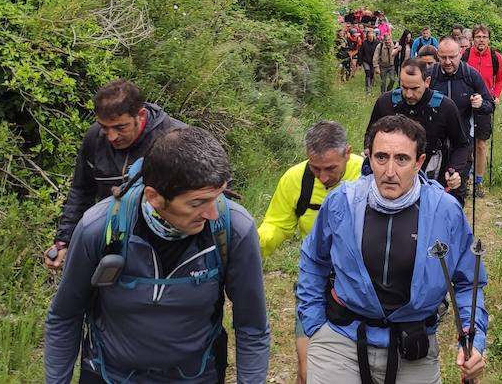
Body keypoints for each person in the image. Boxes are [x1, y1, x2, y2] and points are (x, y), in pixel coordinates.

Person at [44, 127, 270, 384]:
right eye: (197, 203)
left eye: (217, 197)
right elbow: (65, 316)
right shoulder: (99, 228)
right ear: (154, 197)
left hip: (196, 376)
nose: (213, 213)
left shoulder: (233, 229)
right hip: (110, 375)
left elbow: (252, 327)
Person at [297, 115, 487, 384]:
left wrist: (472, 338)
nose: (389, 171)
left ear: (419, 162)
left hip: (412, 343)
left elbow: (468, 282)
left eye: (402, 159)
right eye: (381, 157)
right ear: (368, 157)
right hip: (342, 337)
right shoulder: (342, 202)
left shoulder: (445, 211)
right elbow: (313, 260)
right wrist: (315, 325)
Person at [258, 122, 363, 384]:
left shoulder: (366, 175)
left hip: (359, 288)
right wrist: (246, 248)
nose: (323, 177)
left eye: (330, 169)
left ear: (347, 153)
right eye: (315, 168)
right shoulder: (295, 179)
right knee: (308, 372)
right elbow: (276, 225)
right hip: (315, 283)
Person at [44, 80, 185, 270]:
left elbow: (209, 195)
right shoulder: (94, 138)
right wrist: (64, 240)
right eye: (104, 127)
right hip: (111, 245)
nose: (111, 137)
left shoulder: (176, 139)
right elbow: (81, 191)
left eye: (120, 128)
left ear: (140, 115)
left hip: (165, 249)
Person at [367, 59, 468, 196]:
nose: (408, 94)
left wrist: (455, 170)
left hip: (432, 179)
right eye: (404, 87)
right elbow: (369, 137)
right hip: (391, 177)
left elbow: (461, 145)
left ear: (427, 82)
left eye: (414, 89)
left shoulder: (445, 106)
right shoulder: (385, 103)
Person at [429, 39, 496, 199]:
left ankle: (456, 219)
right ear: (437, 55)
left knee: (458, 189)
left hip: (462, 141)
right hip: (434, 142)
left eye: (452, 57)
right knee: (434, 188)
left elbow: (490, 104)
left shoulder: (470, 75)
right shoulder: (430, 75)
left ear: (460, 54)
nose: (447, 62)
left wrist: (480, 104)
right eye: (443, 57)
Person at [462, 25, 502, 194]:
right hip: (466, 102)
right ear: (473, 39)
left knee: (480, 144)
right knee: (465, 143)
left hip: (485, 104)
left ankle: (478, 182)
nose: (481, 39)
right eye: (478, 36)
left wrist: (496, 95)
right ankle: (465, 179)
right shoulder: (465, 55)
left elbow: (500, 79)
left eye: (484, 37)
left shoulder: (496, 57)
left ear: (489, 39)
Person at [357, 30, 382, 95]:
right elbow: (361, 53)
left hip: (374, 61)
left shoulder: (377, 43)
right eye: (369, 36)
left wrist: (379, 62)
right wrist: (359, 63)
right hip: (366, 61)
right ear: (367, 36)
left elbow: (380, 53)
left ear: (373, 36)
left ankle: (370, 84)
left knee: (371, 74)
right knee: (367, 73)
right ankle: (368, 89)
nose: (370, 37)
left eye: (371, 36)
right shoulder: (364, 43)